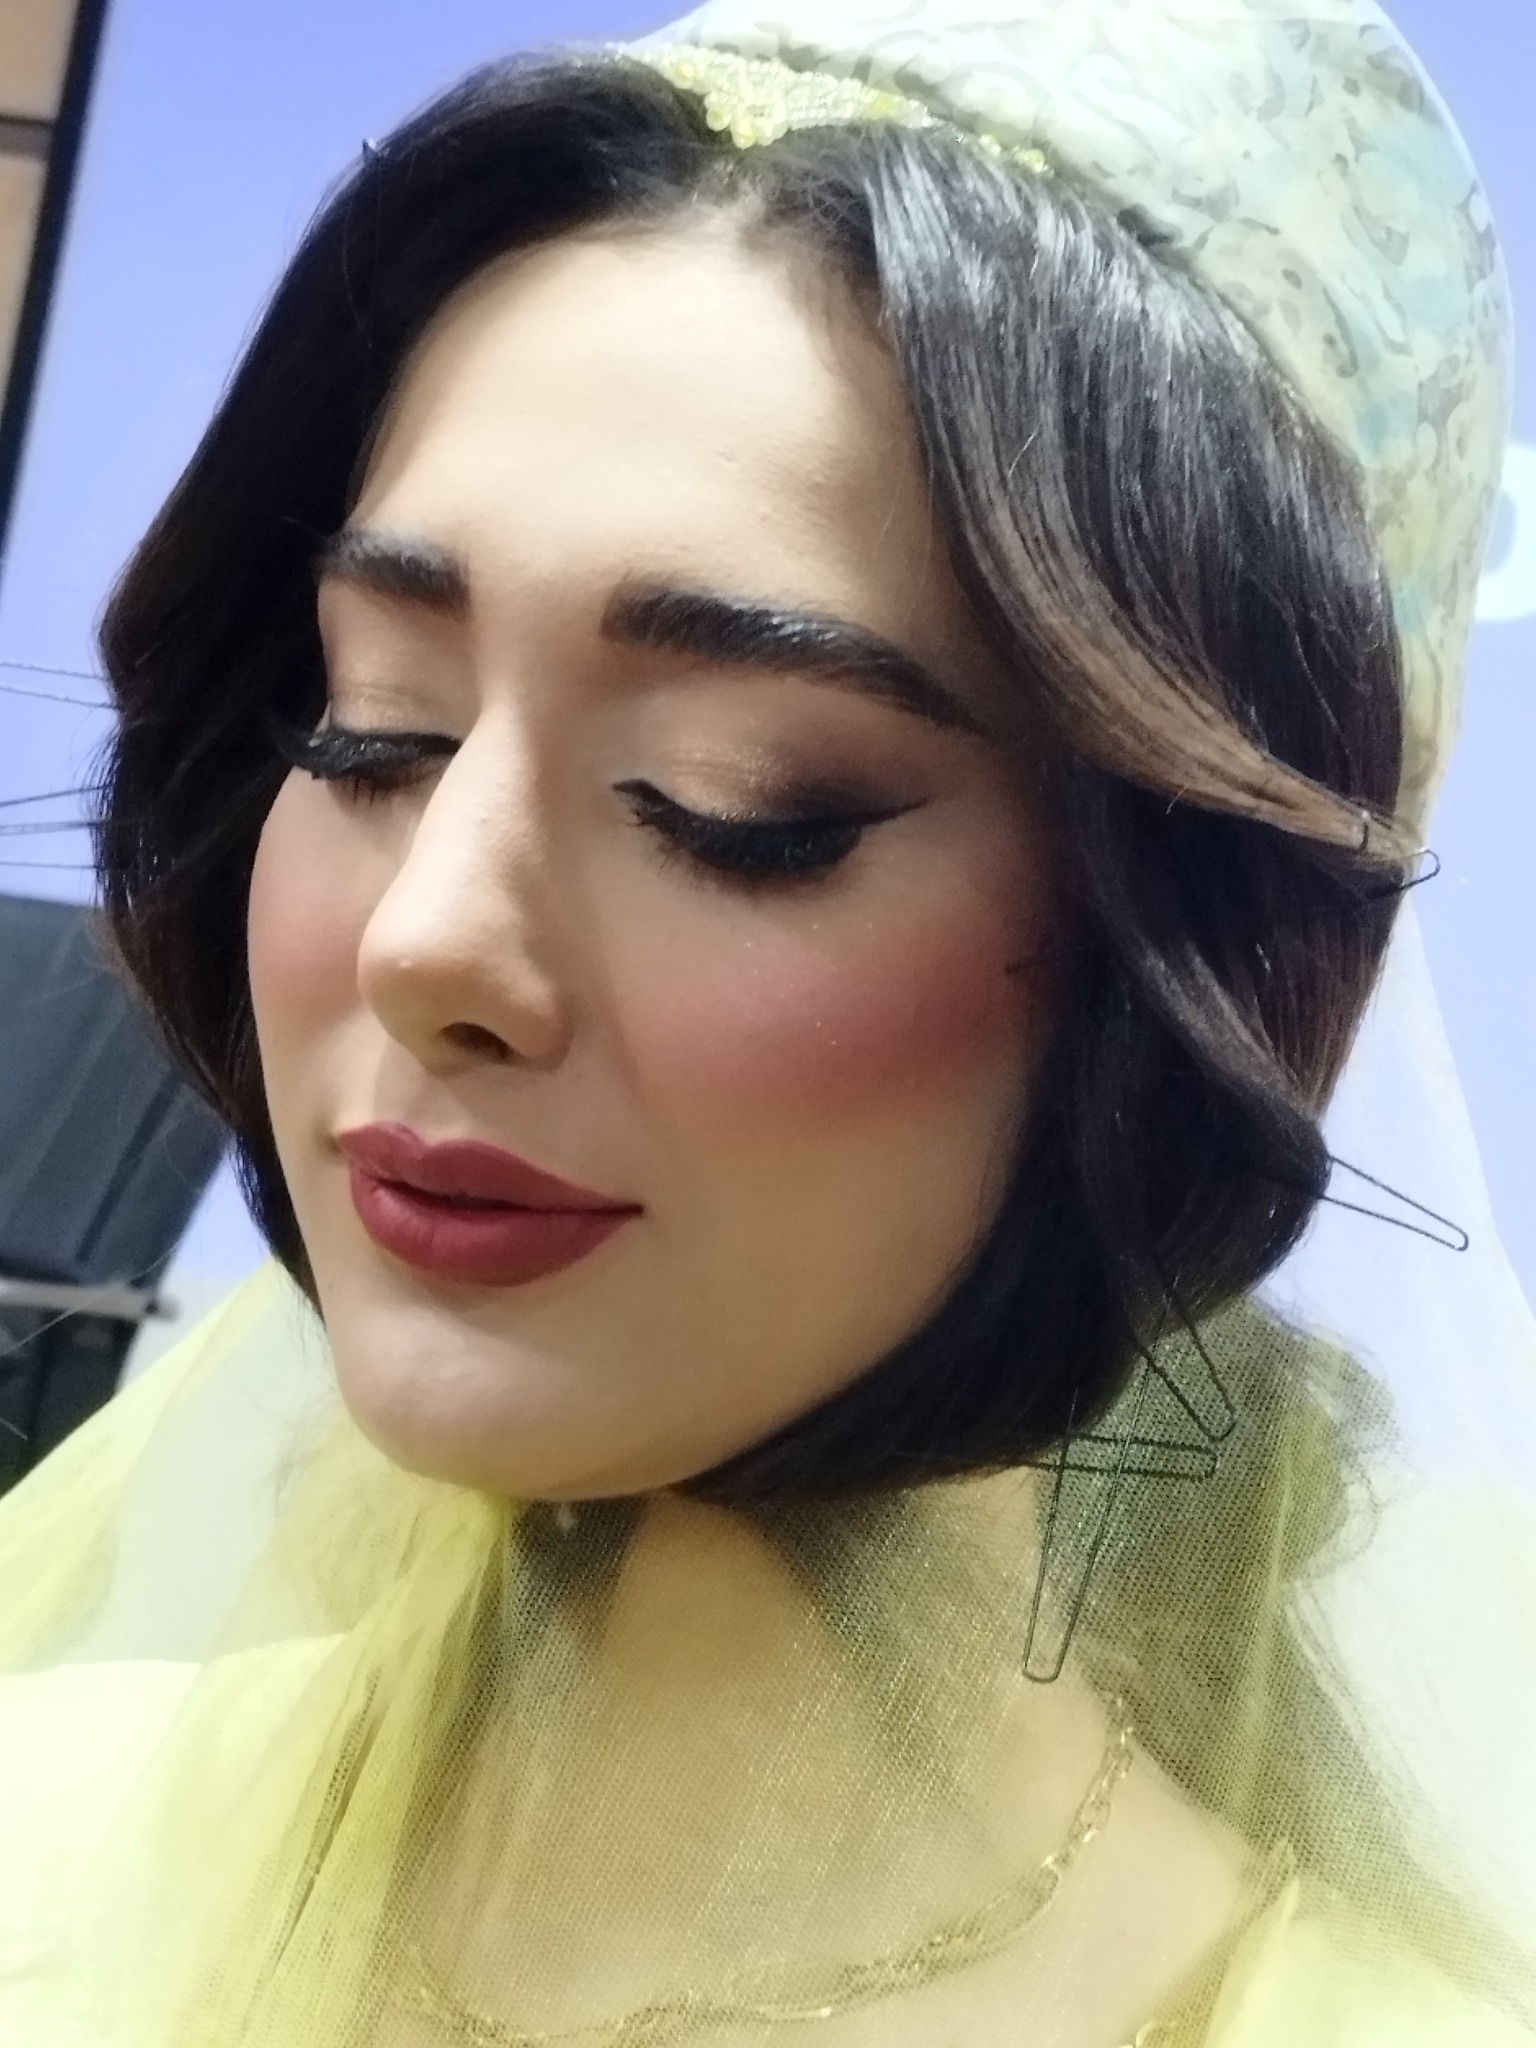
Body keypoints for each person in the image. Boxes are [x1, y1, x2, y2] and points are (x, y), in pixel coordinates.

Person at [0, 2, 1532, 2041]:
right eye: (373, 726)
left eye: (741, 805)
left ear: (1205, 945)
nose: (429, 942)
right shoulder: (46, 1845)